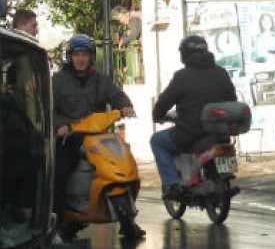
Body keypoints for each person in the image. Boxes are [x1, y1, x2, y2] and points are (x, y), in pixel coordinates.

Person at [53, 34, 140, 236]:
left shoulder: (100, 79)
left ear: (90, 56)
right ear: (70, 57)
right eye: (76, 55)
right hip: (72, 136)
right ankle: (58, 219)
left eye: (84, 54)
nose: (80, 59)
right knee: (60, 171)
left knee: (124, 163)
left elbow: (116, 94)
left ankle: (128, 220)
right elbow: (50, 109)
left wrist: (125, 106)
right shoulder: (58, 81)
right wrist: (61, 125)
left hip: (101, 135)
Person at [151, 35, 237, 199]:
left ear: (184, 55)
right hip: (219, 133)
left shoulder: (182, 76)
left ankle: (172, 184)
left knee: (157, 140)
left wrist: (158, 115)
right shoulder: (221, 73)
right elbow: (232, 100)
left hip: (190, 133)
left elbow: (164, 102)